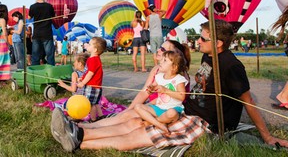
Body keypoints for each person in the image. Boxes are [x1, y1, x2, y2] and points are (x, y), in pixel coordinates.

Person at [50, 20, 288, 152]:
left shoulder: (231, 65)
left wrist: (266, 136)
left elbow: (247, 100)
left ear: (217, 43)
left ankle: (78, 138)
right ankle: (79, 130)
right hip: (189, 109)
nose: (198, 41)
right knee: (134, 119)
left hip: (206, 122)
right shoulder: (209, 56)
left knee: (144, 133)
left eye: (203, 38)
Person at [134, 51, 188, 133]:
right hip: (159, 108)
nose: (160, 62)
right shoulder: (159, 77)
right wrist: (151, 89)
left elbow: (181, 96)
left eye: (165, 60)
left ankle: (151, 121)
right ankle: (159, 124)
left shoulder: (179, 79)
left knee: (172, 113)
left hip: (172, 109)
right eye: (162, 59)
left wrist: (165, 90)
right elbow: (153, 87)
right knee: (137, 107)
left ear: (174, 67)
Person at [77, 37, 107, 122]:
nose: (87, 45)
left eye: (90, 44)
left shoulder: (94, 60)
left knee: (91, 105)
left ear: (95, 49)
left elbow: (90, 74)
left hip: (92, 87)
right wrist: (82, 78)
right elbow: (87, 72)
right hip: (95, 86)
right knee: (96, 103)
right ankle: (101, 116)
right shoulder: (93, 59)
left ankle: (93, 120)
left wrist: (82, 83)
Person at [28, 0, 55, 66]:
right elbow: (54, 16)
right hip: (47, 33)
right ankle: (51, 71)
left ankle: (35, 72)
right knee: (49, 55)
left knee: (35, 55)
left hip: (37, 33)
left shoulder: (33, 6)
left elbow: (29, 18)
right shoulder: (49, 6)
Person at [0, 4, 10, 85]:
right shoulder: (2, 20)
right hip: (1, 43)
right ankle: (2, 79)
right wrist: (7, 42)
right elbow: (4, 33)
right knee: (3, 60)